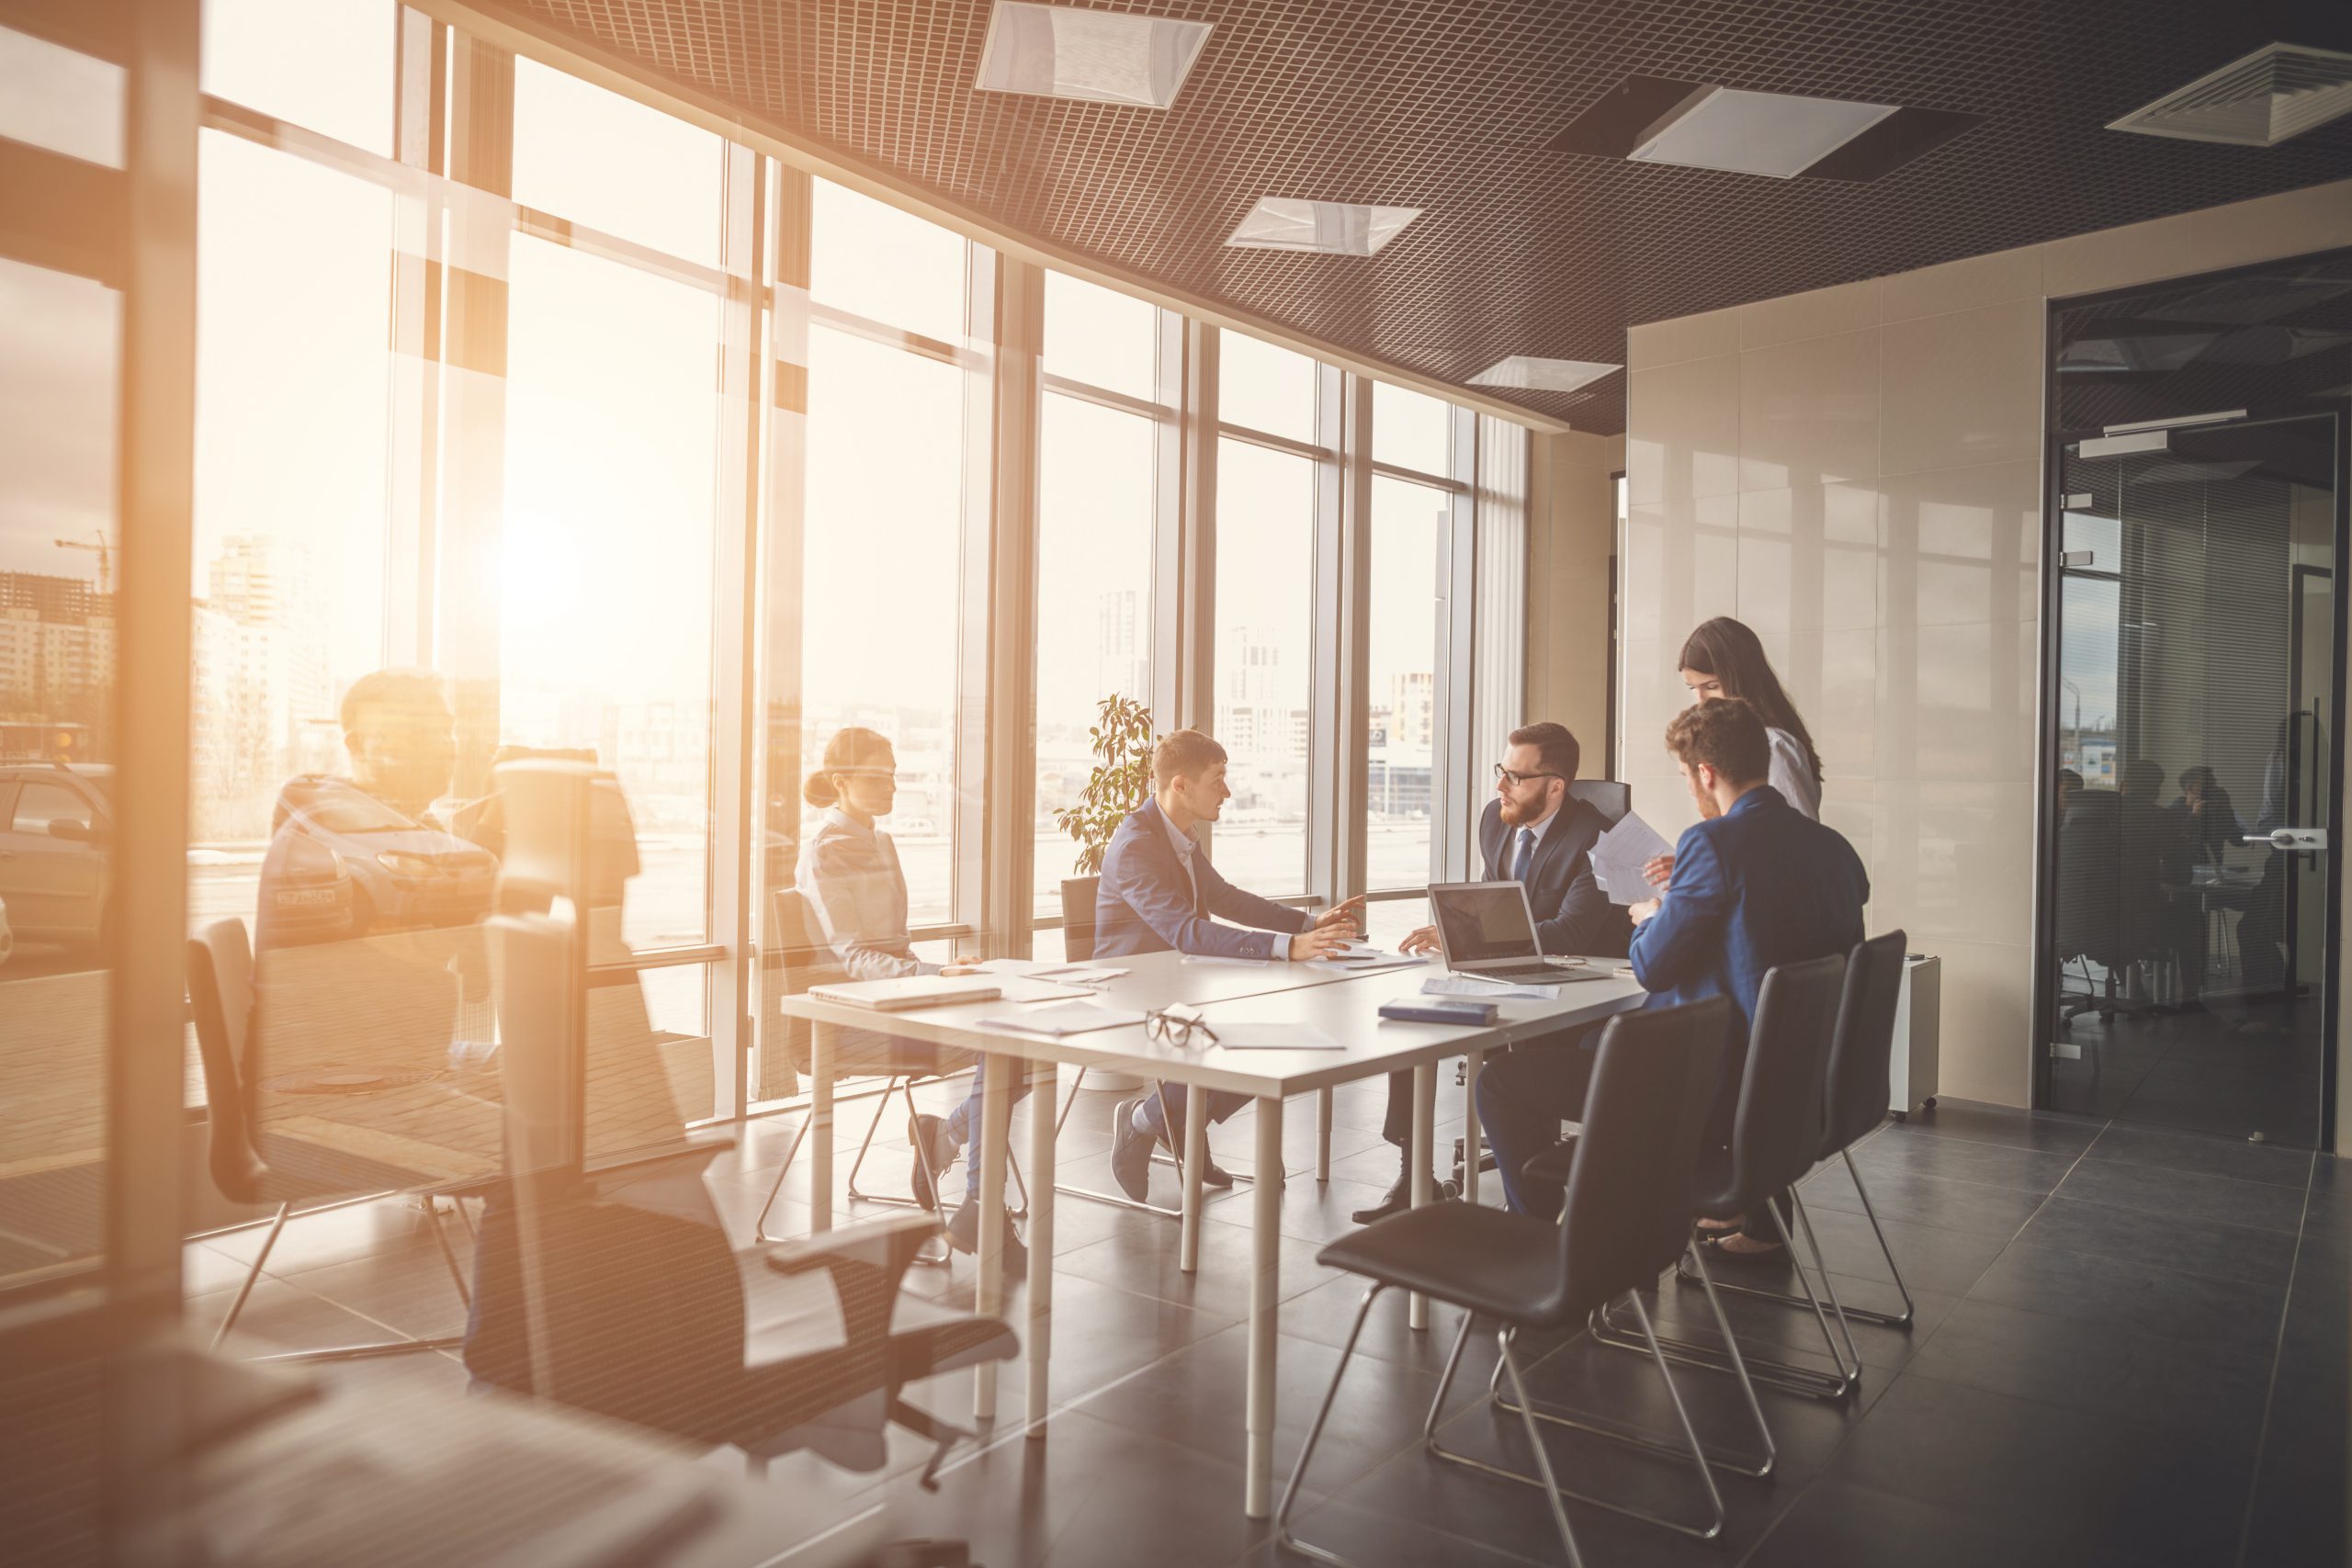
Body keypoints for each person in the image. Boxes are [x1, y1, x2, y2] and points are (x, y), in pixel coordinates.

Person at [1479, 698, 1867, 1258]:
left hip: (1702, 1088)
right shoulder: (1834, 849)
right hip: (1796, 1086)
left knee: (1502, 1082)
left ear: (1705, 773)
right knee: (1592, 1042)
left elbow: (1653, 965)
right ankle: (1600, 1217)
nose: (1691, 790)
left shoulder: (1711, 843)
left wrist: (1653, 915)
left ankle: (1542, 1246)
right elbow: (1773, 929)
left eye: (1688, 778)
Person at [1359, 721, 1630, 1224]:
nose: (1499, 787)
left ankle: (1531, 1201)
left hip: (1577, 988)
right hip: (1506, 972)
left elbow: (1571, 931)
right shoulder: (1495, 820)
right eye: (1501, 772)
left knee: (1511, 1064)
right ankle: (1414, 1175)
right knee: (1416, 1019)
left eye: (1515, 778)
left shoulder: (1598, 838)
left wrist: (1471, 939)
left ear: (1555, 786)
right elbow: (1493, 902)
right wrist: (1456, 929)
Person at [1094, 728, 1363, 1201]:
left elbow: (1223, 899)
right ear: (1180, 785)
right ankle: (1147, 1122)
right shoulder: (1137, 844)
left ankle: (1165, 1121)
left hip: (1179, 986)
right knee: (1241, 1043)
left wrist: (1308, 922)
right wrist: (1288, 947)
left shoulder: (1177, 836)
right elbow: (1186, 931)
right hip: (1133, 995)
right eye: (1218, 779)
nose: (1227, 791)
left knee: (1264, 1041)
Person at [797, 726, 1024, 1277]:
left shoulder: (881, 841)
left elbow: (892, 946)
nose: (891, 788)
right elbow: (853, 956)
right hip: (852, 1015)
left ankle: (946, 1141)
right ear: (839, 781)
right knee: (1004, 1049)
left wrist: (940, 971)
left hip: (900, 996)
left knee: (1022, 1044)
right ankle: (979, 1206)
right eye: (877, 778)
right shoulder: (823, 854)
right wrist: (931, 972)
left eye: (893, 777)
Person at [1645, 617, 1823, 892]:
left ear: (1741, 678)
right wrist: (1700, 863)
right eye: (1694, 689)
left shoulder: (1774, 746)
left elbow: (1799, 846)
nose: (1703, 700)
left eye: (1712, 686)